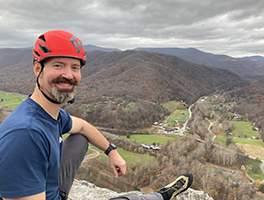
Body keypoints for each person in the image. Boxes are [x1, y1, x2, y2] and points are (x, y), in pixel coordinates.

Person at [0, 30, 193, 200]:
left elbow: (83, 126)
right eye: (58, 65)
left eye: (75, 67)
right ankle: (162, 196)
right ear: (37, 69)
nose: (68, 75)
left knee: (80, 138)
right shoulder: (26, 134)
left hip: (52, 188)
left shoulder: (50, 114)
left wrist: (112, 151)